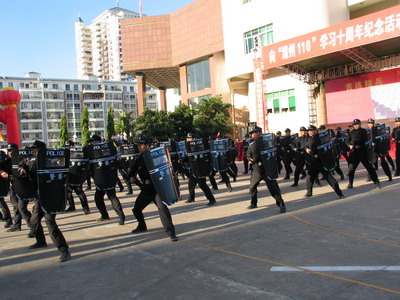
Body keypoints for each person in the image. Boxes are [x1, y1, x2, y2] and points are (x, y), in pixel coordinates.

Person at [20, 140, 71, 262]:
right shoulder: (30, 160)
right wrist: (22, 168)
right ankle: (41, 241)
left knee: (50, 222)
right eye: (32, 150)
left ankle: (64, 250)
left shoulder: (50, 161)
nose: (33, 151)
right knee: (34, 220)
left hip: (50, 196)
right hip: (39, 197)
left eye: (35, 149)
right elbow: (21, 163)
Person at [125, 136, 178, 241]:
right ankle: (142, 226)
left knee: (162, 209)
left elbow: (167, 166)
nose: (139, 147)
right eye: (138, 145)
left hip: (157, 188)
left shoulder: (156, 156)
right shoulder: (139, 159)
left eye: (141, 145)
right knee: (136, 209)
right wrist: (131, 177)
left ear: (148, 146)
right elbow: (131, 172)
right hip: (146, 189)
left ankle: (171, 233)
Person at [247, 127, 286, 213]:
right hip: (256, 170)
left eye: (255, 132)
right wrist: (249, 159)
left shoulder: (266, 142)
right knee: (252, 187)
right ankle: (254, 203)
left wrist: (254, 159)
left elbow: (270, 153)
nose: (253, 134)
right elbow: (248, 154)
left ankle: (281, 204)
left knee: (272, 188)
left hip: (266, 169)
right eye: (252, 133)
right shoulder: (252, 143)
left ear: (260, 133)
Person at [90, 135, 125, 224]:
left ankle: (120, 216)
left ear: (97, 141)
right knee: (100, 197)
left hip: (106, 177)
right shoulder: (106, 148)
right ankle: (106, 215)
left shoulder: (104, 149)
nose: (92, 143)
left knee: (111, 196)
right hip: (103, 177)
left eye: (94, 141)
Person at [304, 125, 344, 199]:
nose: (310, 132)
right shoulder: (308, 139)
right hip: (313, 162)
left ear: (316, 130)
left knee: (330, 178)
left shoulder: (320, 138)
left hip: (321, 162)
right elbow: (306, 146)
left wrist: (312, 150)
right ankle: (309, 192)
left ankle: (340, 193)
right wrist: (306, 149)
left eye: (311, 130)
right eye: (309, 130)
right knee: (309, 178)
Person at [184, 133, 216, 206]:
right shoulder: (189, 147)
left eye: (190, 138)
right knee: (191, 184)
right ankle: (191, 198)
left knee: (202, 185)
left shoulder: (199, 146)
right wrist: (182, 160)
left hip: (200, 169)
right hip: (193, 169)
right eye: (188, 138)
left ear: (194, 139)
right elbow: (189, 156)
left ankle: (211, 199)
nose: (189, 140)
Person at [347, 119, 381, 189]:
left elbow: (368, 140)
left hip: (363, 152)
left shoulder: (364, 131)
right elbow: (347, 141)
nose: (356, 126)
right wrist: (349, 145)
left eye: (357, 124)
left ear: (360, 124)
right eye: (355, 124)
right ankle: (350, 183)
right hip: (354, 153)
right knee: (351, 169)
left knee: (370, 168)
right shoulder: (351, 132)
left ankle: (376, 181)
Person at [65, 140, 91, 214]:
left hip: (77, 176)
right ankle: (72, 206)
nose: (68, 148)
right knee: (69, 193)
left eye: (69, 146)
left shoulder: (79, 154)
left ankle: (86, 208)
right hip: (69, 176)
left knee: (79, 192)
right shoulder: (66, 155)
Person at [0, 149, 12, 229]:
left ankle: (8, 219)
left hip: (1, 183)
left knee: (1, 202)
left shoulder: (3, 157)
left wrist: (1, 171)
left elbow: (3, 167)